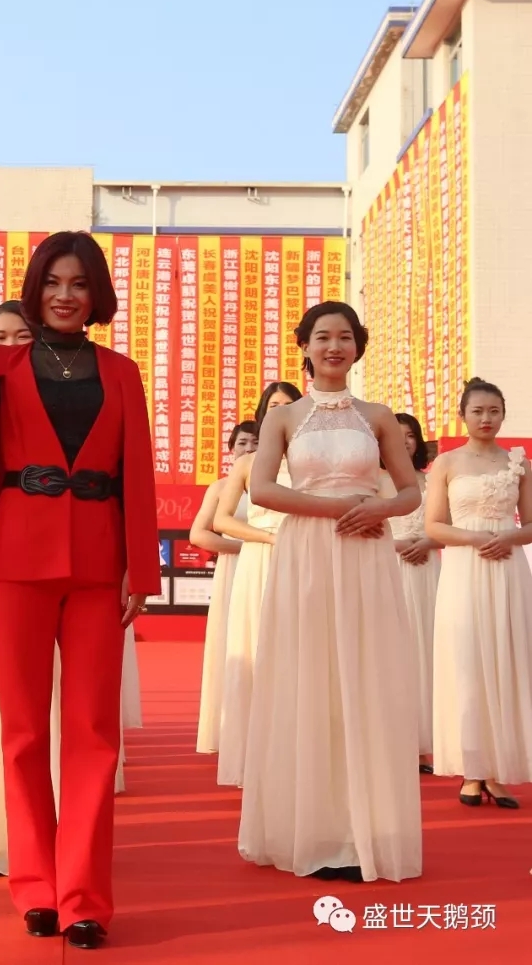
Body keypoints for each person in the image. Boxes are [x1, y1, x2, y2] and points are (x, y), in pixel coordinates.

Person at [0, 233, 160, 949]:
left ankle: (85, 899)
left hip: (100, 560)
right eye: (53, 282)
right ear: (35, 288)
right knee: (22, 732)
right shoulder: (5, 363)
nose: (65, 295)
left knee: (95, 735)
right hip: (16, 556)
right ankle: (37, 887)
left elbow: (136, 469)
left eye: (79, 283)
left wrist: (141, 567)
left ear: (96, 293)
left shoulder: (122, 372)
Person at [238, 301, 422, 883]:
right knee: (309, 679)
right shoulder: (285, 418)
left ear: (358, 347)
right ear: (305, 346)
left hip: (366, 553)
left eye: (345, 337)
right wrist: (337, 509)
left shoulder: (379, 416)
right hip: (308, 554)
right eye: (323, 337)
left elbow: (411, 491)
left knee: (365, 681)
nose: (334, 347)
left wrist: (380, 510)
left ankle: (361, 831)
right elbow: (262, 489)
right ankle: (311, 829)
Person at [426, 378, 532, 809]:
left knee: (506, 661)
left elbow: (530, 523)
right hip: (464, 569)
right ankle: (472, 771)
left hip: (508, 569)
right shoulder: (446, 463)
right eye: (478, 411)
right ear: (463, 416)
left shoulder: (519, 463)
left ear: (503, 414)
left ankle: (497, 772)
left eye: (494, 411)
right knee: (467, 663)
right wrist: (475, 539)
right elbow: (434, 525)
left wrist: (509, 537)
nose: (486, 418)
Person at [212, 384, 301, 785]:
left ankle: (296, 756)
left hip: (303, 562)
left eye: (288, 405)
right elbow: (222, 520)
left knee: (299, 658)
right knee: (255, 656)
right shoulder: (247, 463)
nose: (281, 411)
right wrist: (268, 538)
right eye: (274, 405)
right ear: (263, 412)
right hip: (259, 562)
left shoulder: (311, 462)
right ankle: (254, 758)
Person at [191, 420, 258, 754]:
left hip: (268, 568)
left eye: (256, 443)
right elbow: (199, 534)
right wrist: (247, 547)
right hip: (235, 570)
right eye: (242, 443)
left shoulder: (274, 487)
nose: (249, 449)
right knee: (233, 646)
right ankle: (230, 730)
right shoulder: (219, 488)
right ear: (231, 449)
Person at [380, 413, 440, 773]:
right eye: (396, 434)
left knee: (425, 653)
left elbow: (449, 524)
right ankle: (390, 743)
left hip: (427, 572)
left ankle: (423, 744)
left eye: (410, 435)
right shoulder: (372, 481)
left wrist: (428, 543)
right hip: (386, 570)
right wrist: (399, 545)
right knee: (390, 654)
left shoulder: (431, 481)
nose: (404, 441)